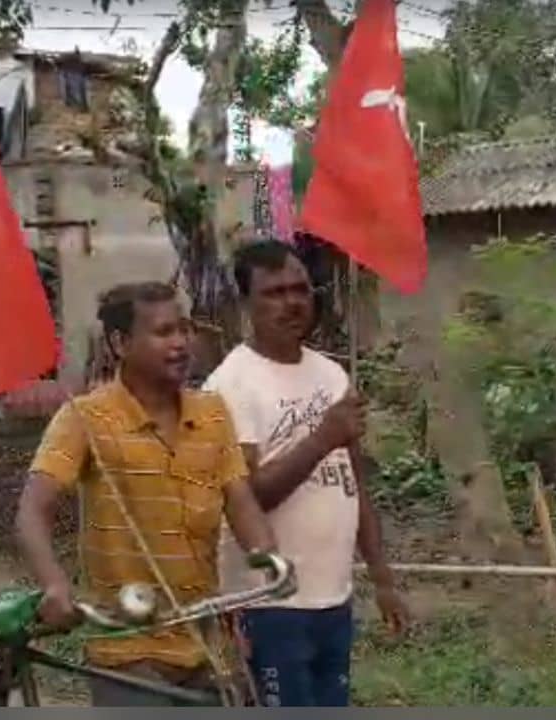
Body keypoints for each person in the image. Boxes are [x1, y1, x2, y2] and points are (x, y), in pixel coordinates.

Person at [16, 281, 278, 706]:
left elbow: (239, 496)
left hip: (204, 640)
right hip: (128, 645)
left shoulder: (212, 414)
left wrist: (267, 555)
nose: (180, 343)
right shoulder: (85, 418)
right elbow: (32, 511)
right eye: (162, 333)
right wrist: (54, 585)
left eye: (183, 329)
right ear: (120, 342)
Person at [202, 240, 409, 707]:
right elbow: (244, 501)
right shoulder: (229, 385)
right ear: (246, 304)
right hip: (268, 602)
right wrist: (319, 439)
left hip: (332, 597)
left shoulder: (331, 375)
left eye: (299, 289)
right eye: (273, 292)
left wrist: (382, 578)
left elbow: (355, 483)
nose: (291, 302)